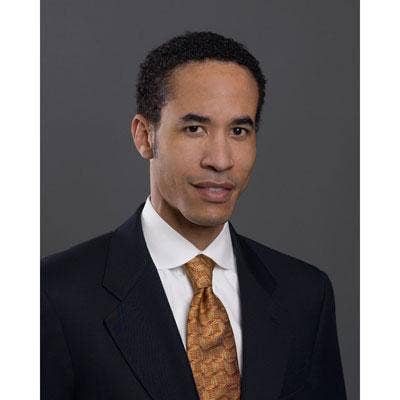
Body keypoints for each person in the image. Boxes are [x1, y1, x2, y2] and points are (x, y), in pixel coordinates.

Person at [41, 31, 347, 400]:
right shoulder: (54, 294)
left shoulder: (305, 296)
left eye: (238, 130)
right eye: (195, 129)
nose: (220, 159)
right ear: (144, 136)